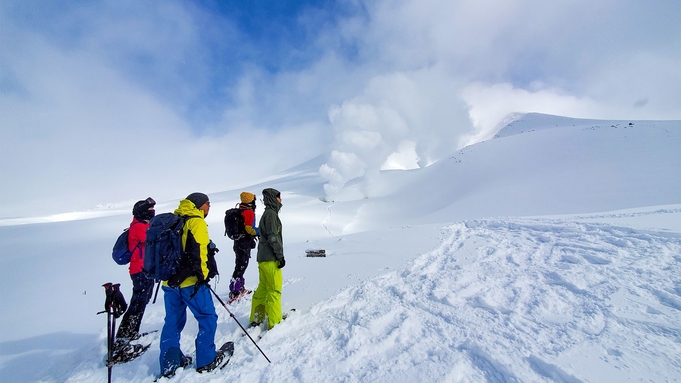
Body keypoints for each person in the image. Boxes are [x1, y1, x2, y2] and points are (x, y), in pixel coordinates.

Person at [158, 192, 227, 377]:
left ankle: (170, 364)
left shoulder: (174, 219)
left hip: (170, 283)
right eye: (207, 204)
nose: (209, 207)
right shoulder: (196, 222)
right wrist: (204, 277)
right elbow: (198, 253)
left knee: (172, 322)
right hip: (192, 283)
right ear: (199, 205)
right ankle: (207, 360)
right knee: (207, 318)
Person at [114, 197, 156, 349]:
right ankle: (125, 335)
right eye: (149, 210)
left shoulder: (142, 225)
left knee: (141, 301)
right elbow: (153, 239)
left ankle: (131, 332)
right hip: (140, 270)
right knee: (138, 302)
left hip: (144, 269)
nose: (152, 212)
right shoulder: (139, 227)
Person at [250, 188, 285, 330]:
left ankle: (257, 317)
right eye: (278, 197)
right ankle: (274, 322)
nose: (280, 200)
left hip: (263, 258)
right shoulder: (271, 215)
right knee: (274, 290)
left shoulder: (267, 214)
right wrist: (280, 256)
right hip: (271, 259)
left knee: (263, 289)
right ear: (273, 199)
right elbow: (273, 236)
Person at [229, 191, 259, 300]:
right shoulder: (248, 212)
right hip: (244, 242)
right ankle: (235, 290)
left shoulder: (240, 209)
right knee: (241, 265)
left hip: (238, 241)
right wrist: (259, 232)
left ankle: (239, 287)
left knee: (240, 264)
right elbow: (249, 228)